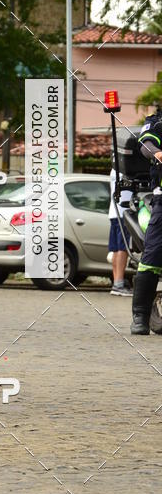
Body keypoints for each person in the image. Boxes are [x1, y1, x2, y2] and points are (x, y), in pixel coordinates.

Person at [130, 113, 162, 334]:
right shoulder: (158, 122)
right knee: (152, 256)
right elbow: (146, 144)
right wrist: (158, 153)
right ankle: (140, 315)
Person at [108, 167, 131, 296]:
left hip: (114, 212)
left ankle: (117, 283)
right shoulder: (125, 169)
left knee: (116, 249)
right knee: (123, 248)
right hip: (123, 213)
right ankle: (119, 284)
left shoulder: (114, 169)